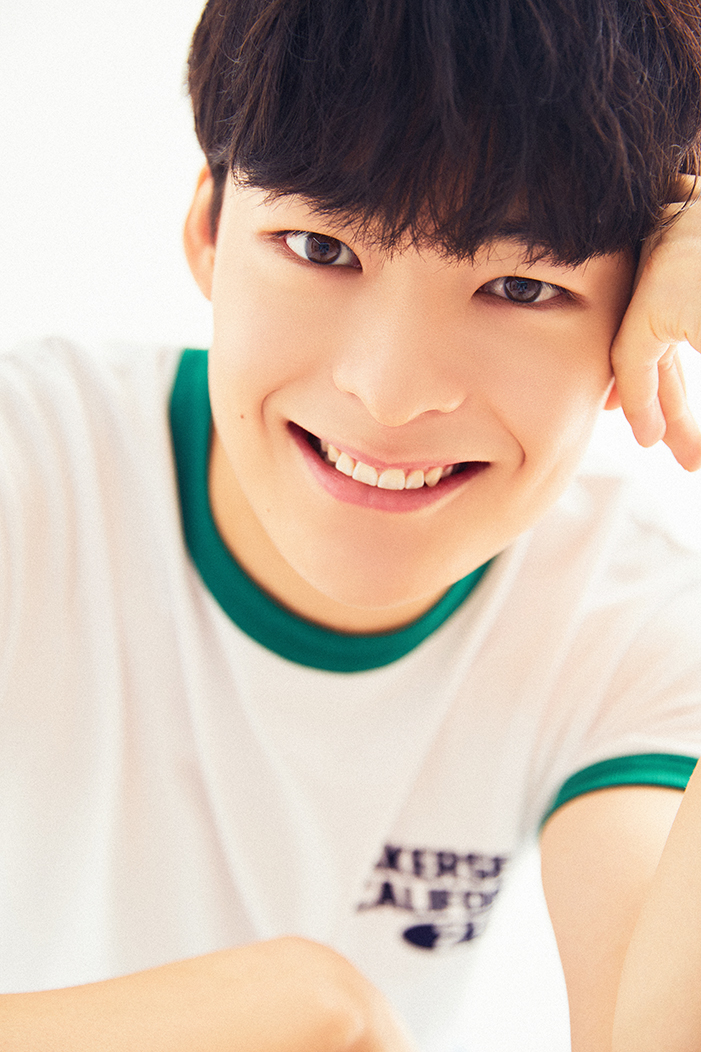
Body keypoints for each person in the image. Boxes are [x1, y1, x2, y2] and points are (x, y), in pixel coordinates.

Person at [1, 1, 701, 1050]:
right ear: (206, 232)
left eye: (519, 285)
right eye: (319, 246)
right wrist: (295, 1007)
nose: (390, 392)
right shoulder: (34, 472)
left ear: (633, 325)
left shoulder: (621, 620)